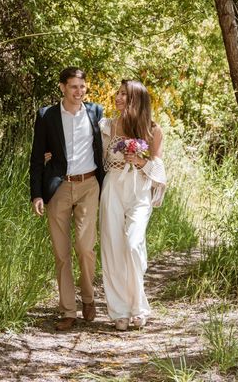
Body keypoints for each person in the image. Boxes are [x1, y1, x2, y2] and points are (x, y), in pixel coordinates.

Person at [29, 67, 105, 331]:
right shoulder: (47, 116)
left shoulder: (96, 112)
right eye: (73, 86)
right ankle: (68, 311)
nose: (78, 91)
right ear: (62, 87)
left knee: (85, 247)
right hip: (59, 187)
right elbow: (37, 157)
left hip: (89, 185)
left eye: (82, 86)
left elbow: (111, 140)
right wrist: (37, 193)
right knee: (61, 252)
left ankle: (88, 298)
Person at [99, 79, 166, 331]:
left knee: (133, 243)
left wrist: (140, 161)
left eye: (124, 94)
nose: (117, 97)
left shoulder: (153, 130)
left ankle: (139, 306)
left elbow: (158, 167)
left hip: (140, 189)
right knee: (113, 246)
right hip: (113, 185)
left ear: (136, 99)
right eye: (117, 93)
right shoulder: (108, 126)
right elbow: (85, 149)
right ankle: (119, 311)